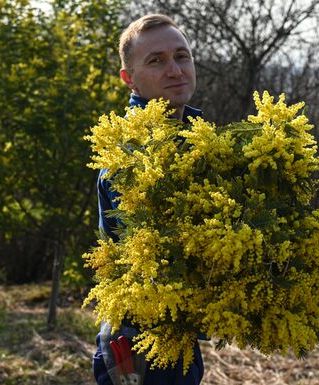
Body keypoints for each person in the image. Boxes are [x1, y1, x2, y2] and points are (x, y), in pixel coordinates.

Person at [93, 14, 205, 385]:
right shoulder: (130, 158)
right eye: (155, 61)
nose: (174, 69)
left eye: (182, 56)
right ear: (129, 78)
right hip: (138, 345)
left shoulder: (196, 144)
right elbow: (165, 260)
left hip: (177, 339)